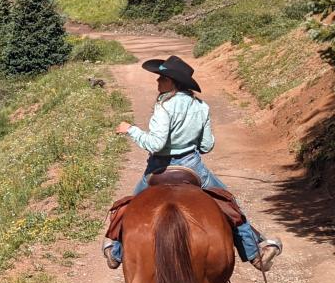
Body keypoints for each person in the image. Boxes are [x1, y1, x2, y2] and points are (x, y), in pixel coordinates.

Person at [103, 55, 281, 272]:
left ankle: (116, 252)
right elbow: (206, 145)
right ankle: (255, 253)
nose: (157, 82)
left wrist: (131, 130)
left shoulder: (164, 106)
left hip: (159, 168)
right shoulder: (201, 107)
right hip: (191, 166)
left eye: (162, 78)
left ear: (173, 82)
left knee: (128, 207)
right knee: (230, 205)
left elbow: (156, 144)